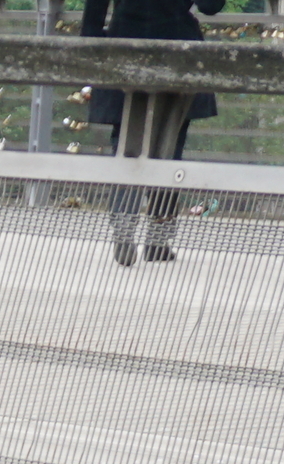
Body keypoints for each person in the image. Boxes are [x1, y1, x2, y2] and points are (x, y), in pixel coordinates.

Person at [79, 0, 221, 266]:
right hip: (179, 47)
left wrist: (94, 45)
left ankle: (123, 222)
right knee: (170, 145)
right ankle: (158, 238)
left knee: (125, 145)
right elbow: (211, 6)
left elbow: (94, 11)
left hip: (125, 44)